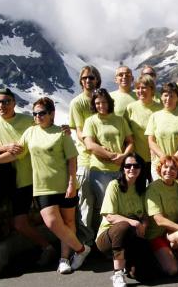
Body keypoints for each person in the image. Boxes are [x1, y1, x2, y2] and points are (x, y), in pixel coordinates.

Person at [0, 97, 91, 274]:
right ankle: (81, 250)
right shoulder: (30, 132)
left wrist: (72, 183)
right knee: (51, 222)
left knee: (68, 221)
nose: (38, 116)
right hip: (42, 187)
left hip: (65, 184)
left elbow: (72, 159)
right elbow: (15, 154)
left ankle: (65, 259)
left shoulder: (61, 133)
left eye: (42, 113)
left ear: (51, 114)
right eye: (35, 114)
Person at [0, 88, 55, 265]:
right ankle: (49, 246)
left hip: (29, 177)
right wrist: (5, 147)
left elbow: (43, 133)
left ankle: (53, 247)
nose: (2, 105)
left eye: (6, 101)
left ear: (14, 103)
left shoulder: (27, 121)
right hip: (7, 178)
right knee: (18, 221)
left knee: (27, 221)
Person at [96, 154, 152, 286]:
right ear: (123, 168)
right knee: (124, 226)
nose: (132, 168)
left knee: (145, 274)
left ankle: (127, 264)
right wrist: (134, 222)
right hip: (107, 238)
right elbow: (109, 216)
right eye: (128, 165)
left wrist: (143, 224)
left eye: (136, 166)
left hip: (131, 238)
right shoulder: (114, 185)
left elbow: (144, 215)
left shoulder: (141, 189)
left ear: (141, 169)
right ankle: (118, 273)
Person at [83, 88, 134, 230]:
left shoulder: (119, 120)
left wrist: (123, 157)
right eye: (98, 103)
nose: (101, 105)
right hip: (100, 170)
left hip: (119, 169)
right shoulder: (91, 121)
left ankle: (117, 236)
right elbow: (90, 144)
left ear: (109, 103)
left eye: (104, 102)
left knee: (120, 204)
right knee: (104, 206)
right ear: (94, 104)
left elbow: (130, 141)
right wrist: (111, 156)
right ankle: (102, 238)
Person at [145, 155, 178, 276]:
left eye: (173, 168)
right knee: (172, 270)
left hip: (171, 234)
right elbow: (159, 220)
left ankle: (176, 255)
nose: (169, 171)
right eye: (166, 167)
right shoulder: (153, 188)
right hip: (155, 235)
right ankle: (155, 256)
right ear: (160, 169)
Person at [69, 65, 101, 246]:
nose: (88, 80)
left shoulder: (103, 100)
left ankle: (101, 241)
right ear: (81, 81)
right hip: (86, 160)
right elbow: (80, 133)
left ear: (97, 80)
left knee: (102, 205)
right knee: (86, 204)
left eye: (91, 77)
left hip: (104, 161)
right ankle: (86, 243)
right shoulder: (77, 103)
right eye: (85, 78)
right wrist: (97, 147)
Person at [145, 82, 178, 180]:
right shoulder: (154, 116)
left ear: (177, 98)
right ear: (161, 97)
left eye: (172, 96)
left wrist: (174, 160)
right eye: (166, 95)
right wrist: (164, 159)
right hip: (160, 164)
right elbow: (151, 141)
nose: (168, 99)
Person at [125, 74, 163, 183]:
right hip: (137, 159)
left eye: (144, 87)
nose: (140, 91)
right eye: (138, 88)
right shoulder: (130, 108)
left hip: (157, 159)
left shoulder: (160, 108)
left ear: (152, 89)